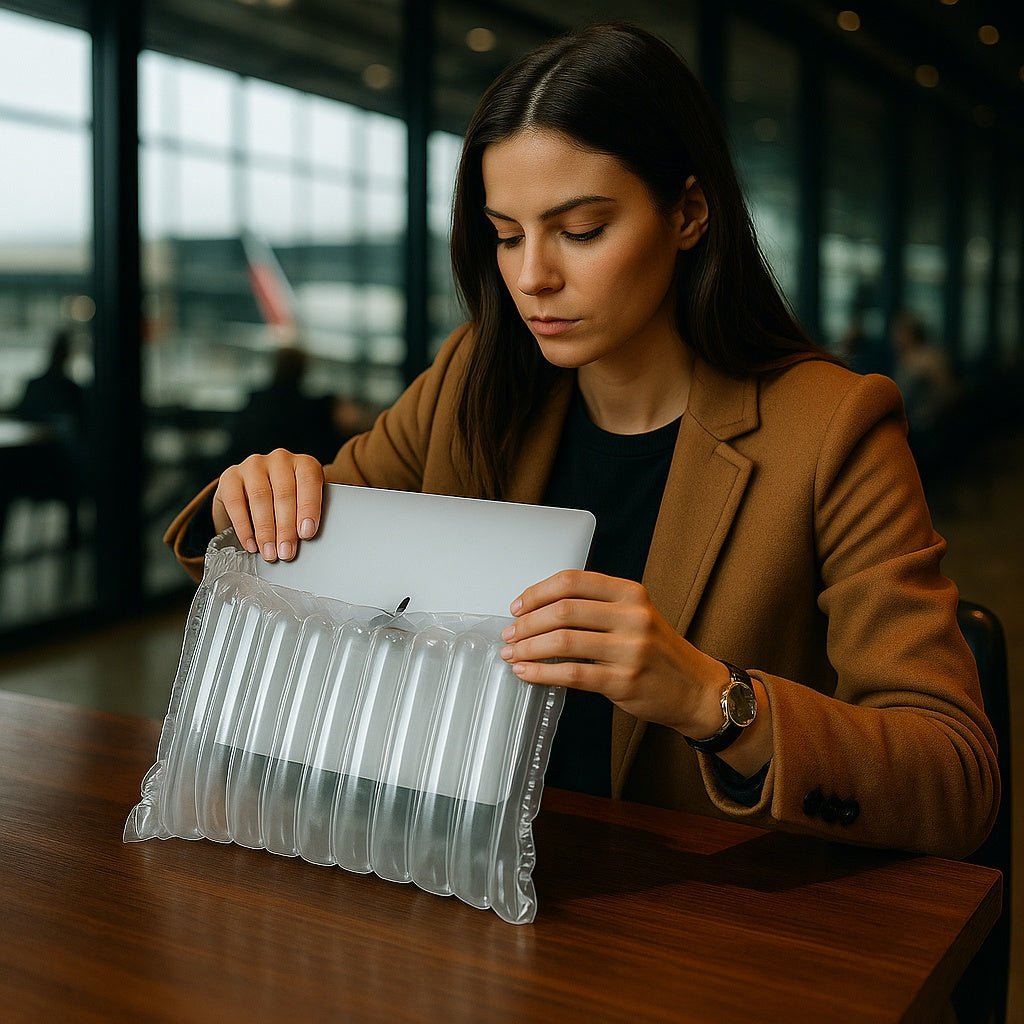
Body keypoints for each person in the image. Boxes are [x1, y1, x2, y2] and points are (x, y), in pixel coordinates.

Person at [166, 23, 997, 859]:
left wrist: (712, 699)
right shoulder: (475, 379)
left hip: (701, 931)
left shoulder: (831, 428)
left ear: (690, 213)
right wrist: (260, 499)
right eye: (507, 234)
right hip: (463, 879)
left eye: (582, 229)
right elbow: (295, 553)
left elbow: (956, 779)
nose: (533, 278)